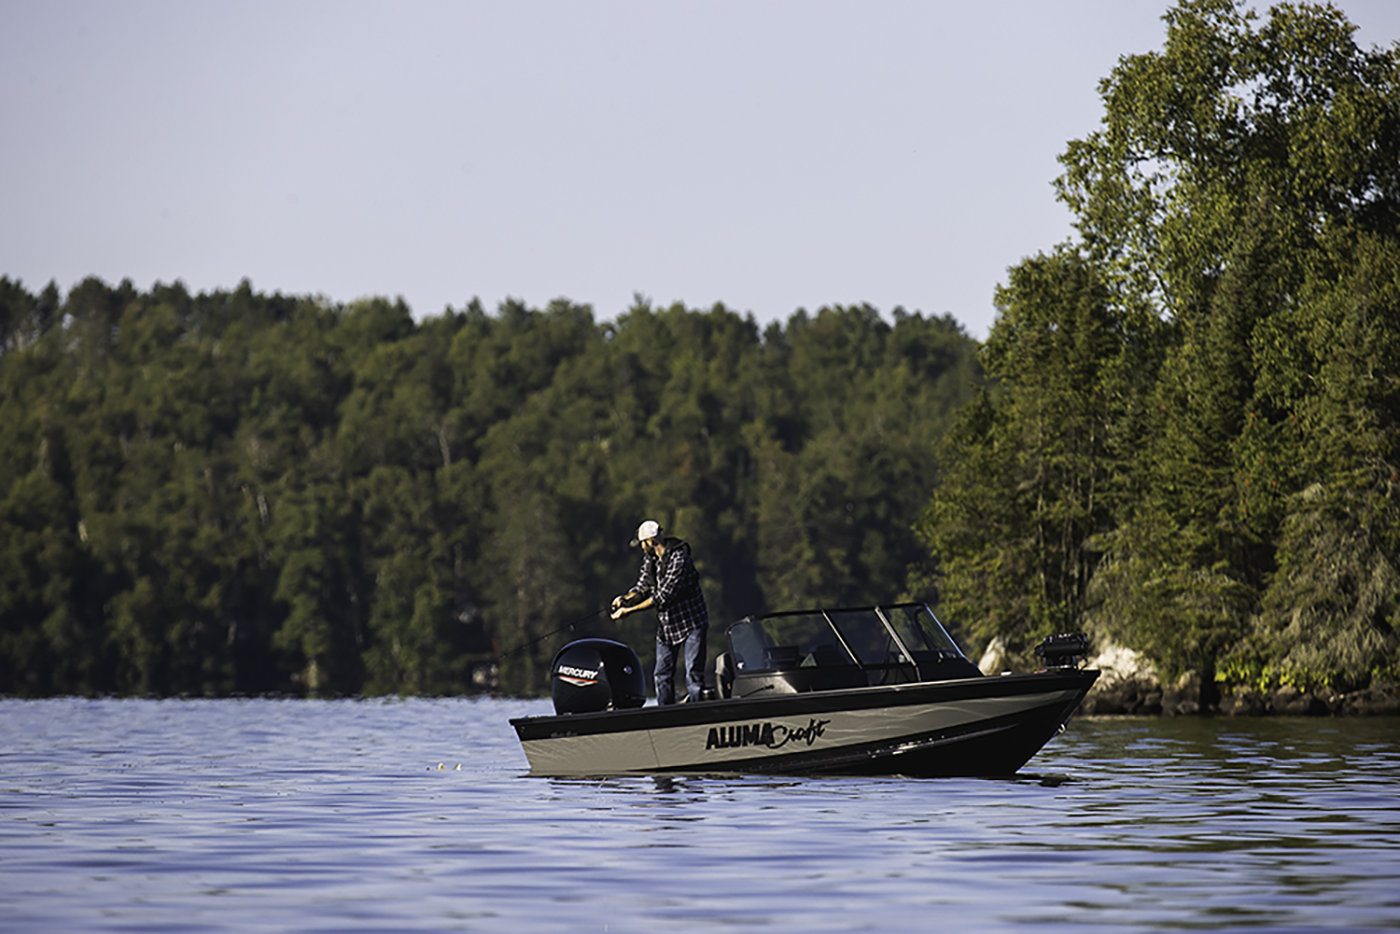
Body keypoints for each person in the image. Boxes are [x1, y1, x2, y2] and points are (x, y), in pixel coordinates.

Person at [610, 520, 709, 704]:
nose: (641, 547)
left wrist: (629, 611)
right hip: (668, 627)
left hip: (692, 623)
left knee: (693, 676)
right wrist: (626, 598)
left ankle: (698, 716)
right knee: (661, 675)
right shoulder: (651, 560)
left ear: (650, 541)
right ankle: (666, 715)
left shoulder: (680, 559)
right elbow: (642, 586)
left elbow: (663, 597)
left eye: (641, 543)